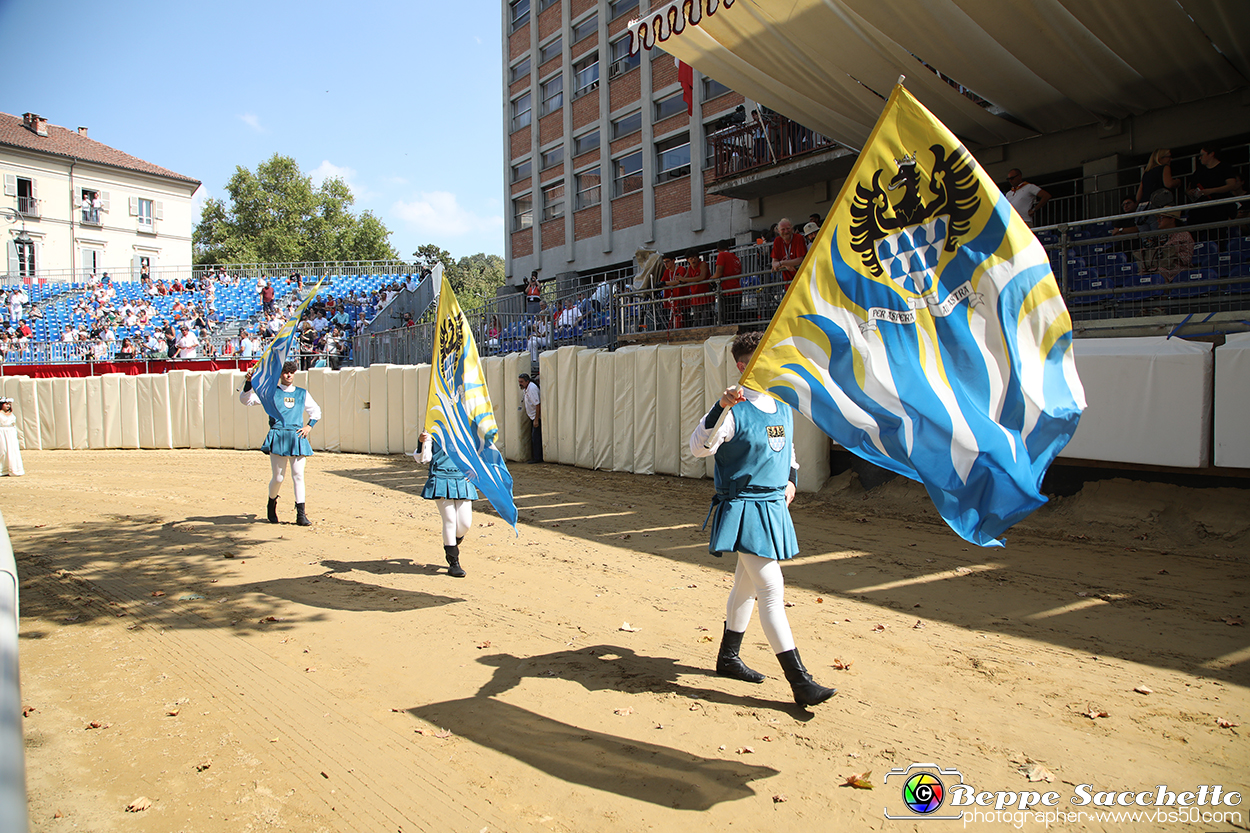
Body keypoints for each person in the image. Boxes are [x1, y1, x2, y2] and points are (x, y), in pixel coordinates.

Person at [688, 331, 835, 707]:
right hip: (745, 508)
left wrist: (791, 479)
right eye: (763, 358)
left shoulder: (781, 405)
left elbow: (789, 451)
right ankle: (800, 682)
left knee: (747, 586)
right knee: (771, 589)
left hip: (773, 507)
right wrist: (720, 407)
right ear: (743, 365)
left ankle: (728, 657)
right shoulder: (733, 411)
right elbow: (698, 448)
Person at [239, 360, 320, 526]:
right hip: (278, 436)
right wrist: (248, 382)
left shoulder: (302, 393)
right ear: (280, 374)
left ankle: (301, 514)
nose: (288, 375)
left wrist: (309, 426)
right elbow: (246, 400)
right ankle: (271, 503)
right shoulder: (270, 392)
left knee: (298, 475)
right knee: (278, 477)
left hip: (296, 437)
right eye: (285, 372)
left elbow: (316, 412)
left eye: (291, 372)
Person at [416, 430, 476, 578]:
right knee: (449, 520)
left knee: (465, 524)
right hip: (440, 476)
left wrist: (474, 470)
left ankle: (453, 541)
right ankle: (453, 561)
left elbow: (477, 453)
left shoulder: (464, 427)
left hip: (463, 478)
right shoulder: (433, 429)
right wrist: (421, 441)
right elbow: (423, 458)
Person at [1187, 145, 1238, 238]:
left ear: (1211, 154)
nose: (1200, 158)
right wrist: (1190, 192)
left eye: (1202, 154)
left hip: (1218, 207)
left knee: (1217, 235)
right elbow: (1190, 187)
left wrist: (1212, 191)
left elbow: (1232, 185)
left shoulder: (1224, 167)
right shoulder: (1200, 171)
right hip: (1201, 209)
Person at [770, 218, 807, 306]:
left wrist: (783, 263)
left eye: (788, 228)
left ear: (792, 229)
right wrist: (786, 265)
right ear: (778, 231)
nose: (786, 231)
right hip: (788, 285)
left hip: (803, 282)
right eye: (783, 229)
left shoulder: (799, 238)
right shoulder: (777, 241)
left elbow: (800, 260)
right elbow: (774, 263)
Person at [711, 239, 743, 324]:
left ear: (718, 249)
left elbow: (718, 273)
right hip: (737, 290)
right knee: (735, 318)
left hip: (728, 291)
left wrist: (710, 279)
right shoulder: (735, 257)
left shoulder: (722, 255)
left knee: (727, 319)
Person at [681, 249, 713, 328]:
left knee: (705, 321)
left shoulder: (703, 264)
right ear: (687, 260)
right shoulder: (689, 268)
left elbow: (702, 277)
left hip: (706, 298)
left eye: (695, 258)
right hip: (696, 300)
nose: (693, 260)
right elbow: (682, 280)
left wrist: (684, 279)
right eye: (691, 259)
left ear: (698, 258)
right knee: (696, 321)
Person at [518, 373, 542, 463]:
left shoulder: (532, 389)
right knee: (534, 437)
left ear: (527, 381)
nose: (520, 384)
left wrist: (536, 419)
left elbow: (537, 404)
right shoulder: (526, 388)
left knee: (536, 438)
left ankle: (537, 458)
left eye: (521, 382)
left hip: (536, 417)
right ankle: (536, 456)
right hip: (533, 416)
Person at [0, 397, 24, 477]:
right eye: (6, 404)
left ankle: (13, 468)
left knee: (12, 450)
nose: (8, 406)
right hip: (2, 433)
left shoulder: (11, 414)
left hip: (11, 433)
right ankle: (3, 469)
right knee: (3, 451)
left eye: (9, 404)